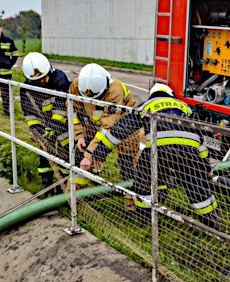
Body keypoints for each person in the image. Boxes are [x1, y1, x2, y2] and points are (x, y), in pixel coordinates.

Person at [88, 83, 221, 229]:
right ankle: (211, 224)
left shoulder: (147, 105)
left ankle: (144, 219)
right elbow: (200, 141)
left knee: (143, 181)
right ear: (171, 94)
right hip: (189, 151)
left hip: (157, 151)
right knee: (197, 186)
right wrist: (205, 167)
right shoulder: (185, 107)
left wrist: (99, 154)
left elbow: (119, 131)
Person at [70, 63, 139, 193]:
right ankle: (73, 197)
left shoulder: (115, 91)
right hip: (96, 122)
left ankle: (131, 203)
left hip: (126, 124)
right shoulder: (78, 84)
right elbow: (72, 109)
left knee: (127, 164)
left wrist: (90, 153)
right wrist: (79, 135)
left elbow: (107, 127)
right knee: (83, 158)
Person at [19, 52, 72, 195]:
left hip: (63, 125)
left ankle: (65, 187)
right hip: (44, 125)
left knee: (66, 154)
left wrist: (53, 127)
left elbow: (62, 107)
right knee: (44, 154)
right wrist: (36, 129)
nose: (41, 82)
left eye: (43, 78)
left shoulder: (60, 80)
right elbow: (29, 113)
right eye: (37, 81)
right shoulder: (26, 89)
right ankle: (46, 184)